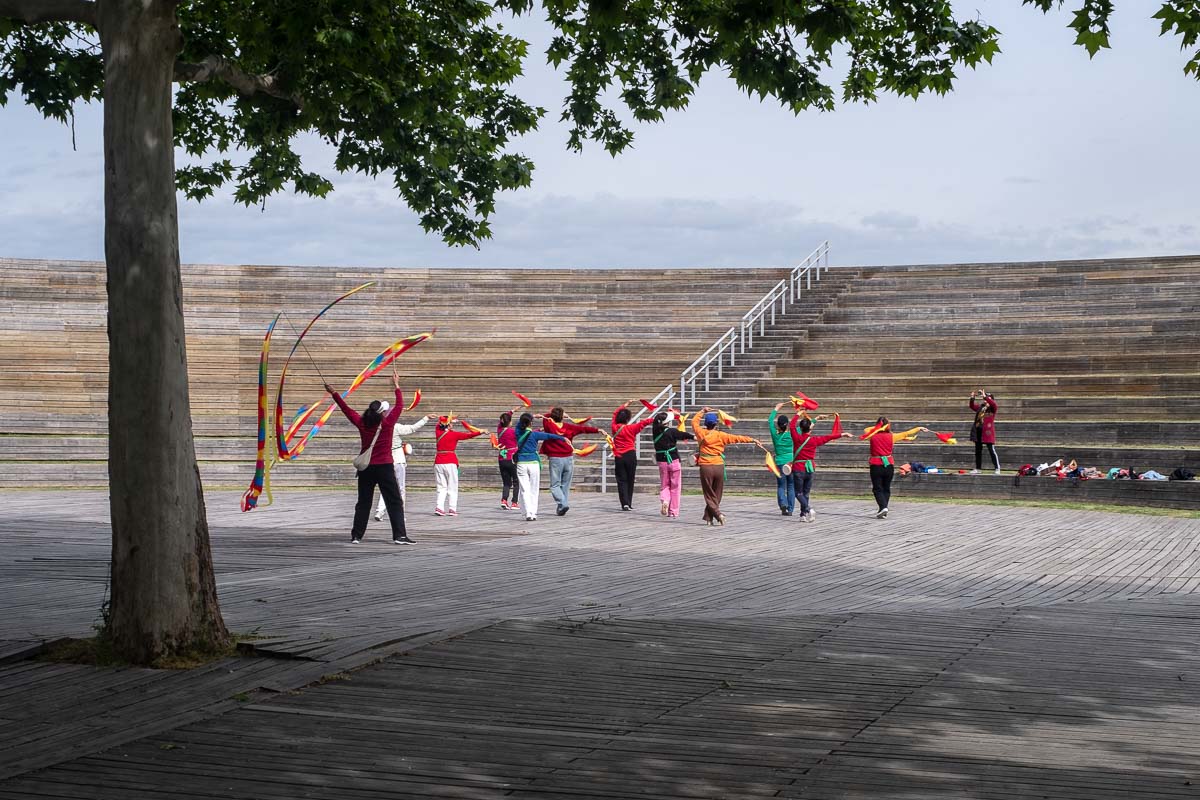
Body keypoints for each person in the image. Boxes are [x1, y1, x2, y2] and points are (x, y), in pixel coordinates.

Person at [325, 372, 414, 545]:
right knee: (394, 501)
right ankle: (399, 535)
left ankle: (356, 535)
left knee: (363, 502)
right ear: (382, 413)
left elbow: (346, 409)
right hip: (385, 466)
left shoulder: (361, 422)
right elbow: (400, 406)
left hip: (366, 469)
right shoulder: (387, 424)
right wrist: (396, 385)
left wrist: (334, 392)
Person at [691, 407, 760, 525]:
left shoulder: (700, 433)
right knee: (717, 493)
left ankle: (717, 514)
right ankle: (708, 518)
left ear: (705, 424)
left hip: (706, 466)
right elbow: (737, 438)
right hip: (718, 465)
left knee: (709, 493)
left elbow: (693, 421)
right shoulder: (721, 435)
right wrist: (752, 439)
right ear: (716, 424)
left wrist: (702, 411)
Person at [789, 413, 851, 523]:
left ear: (801, 428)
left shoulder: (796, 437)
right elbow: (828, 437)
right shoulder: (814, 440)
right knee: (806, 493)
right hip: (810, 468)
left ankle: (808, 509)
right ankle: (803, 515)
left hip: (799, 468)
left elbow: (792, 426)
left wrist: (797, 414)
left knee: (798, 493)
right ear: (810, 429)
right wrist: (842, 434)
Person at [860, 417, 926, 519]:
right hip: (889, 465)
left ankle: (883, 507)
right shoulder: (892, 436)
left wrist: (880, 426)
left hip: (876, 465)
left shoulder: (871, 434)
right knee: (886, 487)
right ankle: (884, 509)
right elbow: (907, 433)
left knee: (877, 488)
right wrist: (918, 428)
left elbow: (867, 429)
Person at [542, 407, 601, 516]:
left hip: (555, 459)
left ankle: (563, 503)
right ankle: (561, 507)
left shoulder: (549, 426)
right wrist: (597, 430)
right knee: (565, 484)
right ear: (562, 417)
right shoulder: (569, 427)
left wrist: (555, 413)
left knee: (555, 485)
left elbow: (546, 416)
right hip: (568, 458)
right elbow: (583, 429)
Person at [373, 413, 432, 521]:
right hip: (398, 460)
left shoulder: (377, 428)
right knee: (400, 489)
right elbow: (412, 428)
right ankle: (399, 514)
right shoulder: (395, 427)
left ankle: (379, 511)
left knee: (385, 487)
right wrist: (426, 418)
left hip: (385, 460)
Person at [512, 412, 567, 521]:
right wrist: (563, 438)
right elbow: (549, 436)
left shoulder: (517, 432)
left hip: (521, 464)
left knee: (524, 490)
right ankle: (533, 513)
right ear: (531, 423)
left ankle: (527, 513)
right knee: (534, 489)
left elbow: (520, 423)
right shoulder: (534, 434)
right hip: (533, 464)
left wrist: (531, 416)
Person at [433, 415, 484, 516]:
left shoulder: (438, 432)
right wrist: (480, 432)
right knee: (452, 486)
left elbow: (438, 425)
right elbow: (468, 435)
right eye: (451, 423)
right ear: (448, 425)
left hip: (438, 461)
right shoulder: (454, 434)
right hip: (450, 461)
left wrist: (449, 420)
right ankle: (452, 508)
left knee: (441, 487)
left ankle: (439, 507)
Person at [611, 400, 654, 510]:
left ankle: (624, 503)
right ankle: (629, 503)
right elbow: (644, 423)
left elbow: (614, 413)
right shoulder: (632, 428)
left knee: (621, 480)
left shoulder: (614, 427)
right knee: (630, 479)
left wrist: (625, 404)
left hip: (619, 456)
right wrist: (655, 419)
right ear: (628, 419)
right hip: (630, 454)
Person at [651, 410, 695, 518]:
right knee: (675, 487)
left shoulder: (655, 432)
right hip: (674, 460)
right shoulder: (672, 431)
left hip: (662, 462)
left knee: (664, 485)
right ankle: (673, 511)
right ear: (667, 422)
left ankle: (665, 501)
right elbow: (683, 434)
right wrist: (694, 437)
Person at [769, 403, 796, 515]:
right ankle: (790, 509)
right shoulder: (792, 434)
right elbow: (805, 427)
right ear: (787, 425)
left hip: (779, 462)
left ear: (778, 425)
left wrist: (776, 408)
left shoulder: (775, 434)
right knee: (791, 485)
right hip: (790, 462)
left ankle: (783, 504)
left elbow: (770, 421)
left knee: (781, 485)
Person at [969, 388, 1000, 474]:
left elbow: (993, 404)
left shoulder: (993, 409)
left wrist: (986, 397)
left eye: (988, 399)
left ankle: (997, 468)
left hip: (988, 433)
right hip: (978, 432)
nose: (985, 400)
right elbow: (972, 406)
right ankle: (978, 468)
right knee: (978, 451)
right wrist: (972, 398)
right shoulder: (981, 407)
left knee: (991, 450)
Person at [495, 410, 521, 509]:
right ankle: (514, 502)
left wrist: (511, 411)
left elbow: (502, 420)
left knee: (506, 482)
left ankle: (504, 500)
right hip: (512, 458)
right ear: (510, 422)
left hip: (502, 458)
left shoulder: (499, 430)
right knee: (516, 481)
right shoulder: (513, 432)